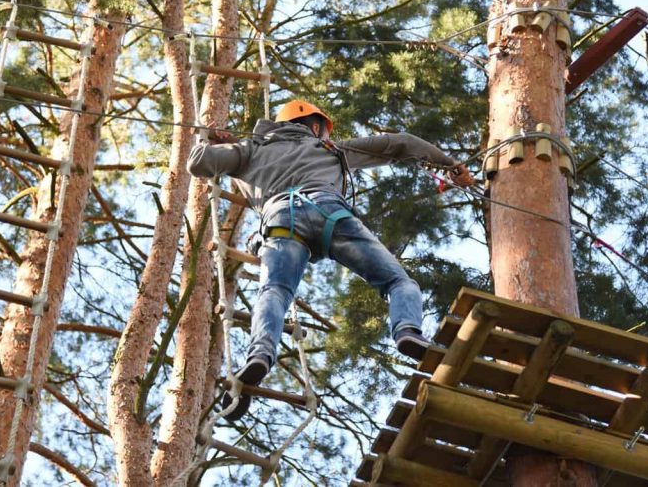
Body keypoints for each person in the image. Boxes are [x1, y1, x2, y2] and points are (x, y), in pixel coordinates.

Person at [187, 100, 474, 420]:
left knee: (275, 292)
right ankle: (407, 330)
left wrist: (209, 140)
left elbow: (198, 162)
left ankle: (260, 353)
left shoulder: (249, 151)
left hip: (282, 223)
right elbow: (402, 142)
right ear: (314, 126)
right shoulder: (331, 148)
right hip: (331, 216)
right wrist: (449, 165)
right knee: (397, 281)